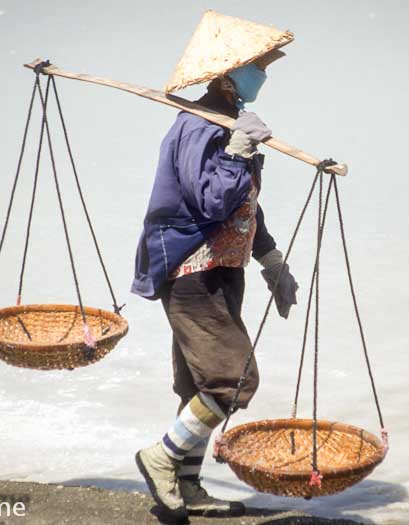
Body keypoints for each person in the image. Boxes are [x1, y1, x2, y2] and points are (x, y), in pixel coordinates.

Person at [129, 10, 298, 521]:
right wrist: (237, 148)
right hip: (190, 272)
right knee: (231, 380)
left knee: (200, 385)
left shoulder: (228, 124)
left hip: (223, 269)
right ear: (229, 75)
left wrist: (271, 261)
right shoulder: (197, 127)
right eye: (257, 67)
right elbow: (209, 201)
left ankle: (188, 487)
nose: (263, 75)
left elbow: (245, 202)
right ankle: (160, 458)